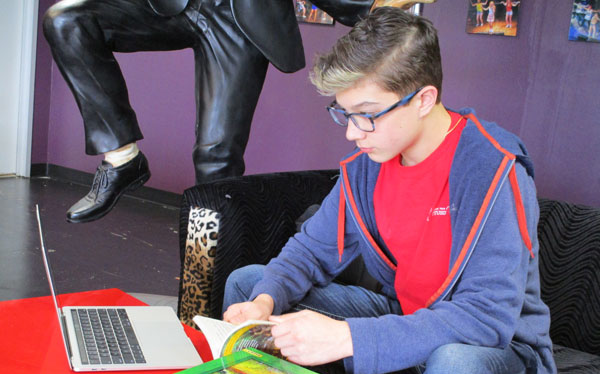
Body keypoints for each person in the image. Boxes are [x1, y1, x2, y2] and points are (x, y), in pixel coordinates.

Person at [222, 7, 556, 374]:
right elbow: (311, 251)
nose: (352, 133)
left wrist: (348, 337)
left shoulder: (494, 171)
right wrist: (266, 298)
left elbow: (486, 318)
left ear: (423, 99)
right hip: (404, 317)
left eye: (367, 113)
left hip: (498, 349)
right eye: (344, 114)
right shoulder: (367, 167)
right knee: (249, 284)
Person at [42, 0, 381, 223]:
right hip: (172, 6)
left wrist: (369, 5)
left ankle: (209, 280)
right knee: (66, 20)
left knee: (215, 156)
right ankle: (122, 159)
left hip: (237, 15)